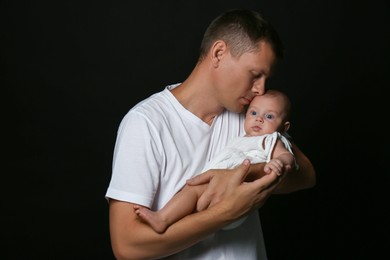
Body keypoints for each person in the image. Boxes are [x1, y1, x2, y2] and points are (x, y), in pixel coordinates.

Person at [105, 9, 316, 259]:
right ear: (218, 53)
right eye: (255, 75)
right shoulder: (146, 124)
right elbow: (127, 246)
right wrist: (227, 211)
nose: (261, 90)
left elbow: (306, 174)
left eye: (265, 79)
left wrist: (241, 175)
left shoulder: (250, 117)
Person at [133, 89, 297, 233]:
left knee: (194, 191)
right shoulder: (241, 137)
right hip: (216, 195)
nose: (259, 119)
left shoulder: (270, 139)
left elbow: (287, 156)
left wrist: (280, 162)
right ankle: (165, 222)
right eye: (253, 113)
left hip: (235, 197)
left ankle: (163, 219)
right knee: (190, 190)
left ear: (284, 127)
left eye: (269, 116)